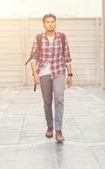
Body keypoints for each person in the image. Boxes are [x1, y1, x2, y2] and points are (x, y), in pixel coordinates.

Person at [29, 13, 73, 143]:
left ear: (55, 23)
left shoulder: (62, 37)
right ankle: (50, 127)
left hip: (59, 71)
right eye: (47, 22)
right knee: (47, 102)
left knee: (59, 99)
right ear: (44, 24)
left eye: (52, 21)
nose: (50, 24)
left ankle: (58, 131)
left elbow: (67, 57)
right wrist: (35, 74)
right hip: (44, 73)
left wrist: (70, 75)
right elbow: (33, 58)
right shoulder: (38, 38)